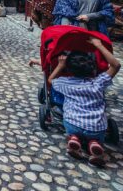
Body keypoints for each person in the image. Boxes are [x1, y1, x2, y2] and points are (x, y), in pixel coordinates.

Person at [49, 38, 121, 166]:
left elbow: (50, 80)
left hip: (73, 124)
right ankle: (94, 143)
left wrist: (60, 65)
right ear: (93, 69)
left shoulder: (65, 83)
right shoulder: (98, 83)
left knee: (72, 127)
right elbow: (116, 65)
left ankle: (74, 139)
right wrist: (98, 45)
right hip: (97, 128)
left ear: (69, 69)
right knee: (95, 137)